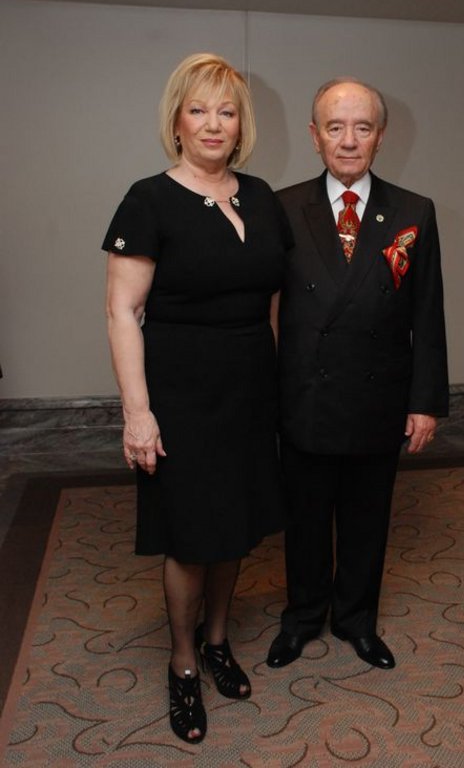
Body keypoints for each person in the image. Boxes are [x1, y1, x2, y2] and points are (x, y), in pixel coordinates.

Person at [103, 53, 292, 743]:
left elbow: (272, 301)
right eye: (199, 109)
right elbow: (123, 311)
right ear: (177, 121)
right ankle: (182, 663)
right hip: (181, 395)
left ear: (241, 125)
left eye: (227, 111)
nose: (214, 123)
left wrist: (277, 383)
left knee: (234, 525)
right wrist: (138, 413)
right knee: (189, 535)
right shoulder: (148, 199)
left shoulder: (262, 196)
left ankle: (217, 642)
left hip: (249, 391)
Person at [267, 77, 448, 671]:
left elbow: (427, 313)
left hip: (379, 396)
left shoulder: (414, 211)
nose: (349, 140)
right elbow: (257, 304)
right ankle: (302, 618)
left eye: (362, 127)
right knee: (305, 520)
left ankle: (356, 621)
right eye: (336, 127)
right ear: (314, 135)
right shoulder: (282, 207)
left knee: (368, 518)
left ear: (380, 136)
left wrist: (425, 402)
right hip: (305, 395)